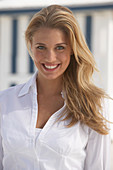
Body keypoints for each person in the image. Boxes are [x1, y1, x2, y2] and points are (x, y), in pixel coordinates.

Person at [0, 5, 111, 170]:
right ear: (30, 46)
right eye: (41, 47)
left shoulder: (95, 105)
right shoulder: (5, 101)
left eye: (60, 47)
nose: (50, 58)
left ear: (72, 48)